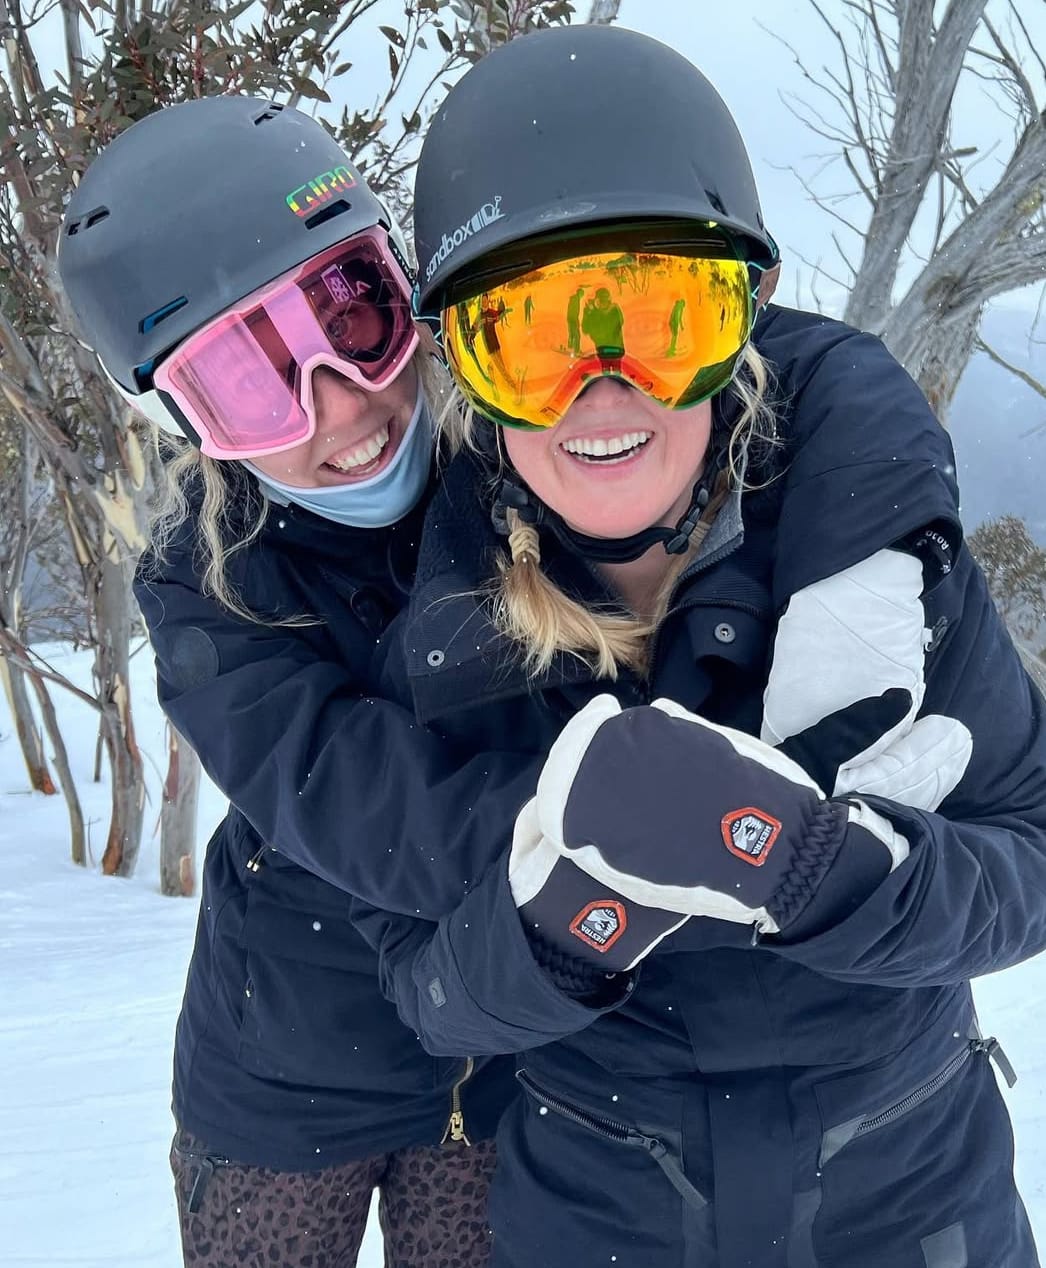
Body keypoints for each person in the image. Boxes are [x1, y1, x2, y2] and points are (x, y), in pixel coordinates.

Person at [353, 24, 1046, 1268]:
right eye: (530, 337)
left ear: (742, 328)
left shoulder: (872, 563)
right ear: (463, 366)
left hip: (907, 1195)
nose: (600, 392)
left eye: (663, 318)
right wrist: (572, 920)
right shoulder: (446, 632)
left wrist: (828, 871)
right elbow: (424, 989)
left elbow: (1029, 858)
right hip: (602, 1210)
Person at [58, 95, 540, 1268]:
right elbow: (367, 807)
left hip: (495, 1062)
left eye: (352, 318)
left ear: (402, 286)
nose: (341, 407)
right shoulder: (206, 576)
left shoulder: (525, 467)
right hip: (283, 1078)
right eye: (250, 385)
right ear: (187, 422)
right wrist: (629, 829)